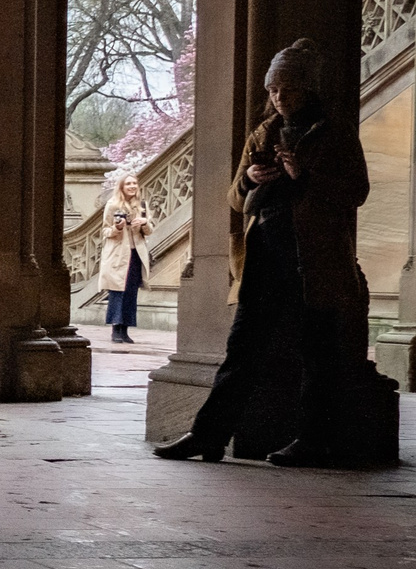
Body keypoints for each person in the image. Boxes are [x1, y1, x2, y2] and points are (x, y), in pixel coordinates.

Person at [156, 40, 371, 468]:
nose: (279, 97)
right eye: (273, 89)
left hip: (317, 260)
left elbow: (356, 192)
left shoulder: (336, 132)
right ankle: (208, 435)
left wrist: (303, 175)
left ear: (308, 89)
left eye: (288, 88)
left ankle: (314, 441)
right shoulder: (264, 132)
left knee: (318, 353)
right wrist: (253, 177)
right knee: (242, 348)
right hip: (265, 257)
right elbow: (235, 199)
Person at [99, 174, 151, 344]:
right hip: (118, 254)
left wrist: (144, 222)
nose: (132, 186)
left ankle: (125, 329)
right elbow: (105, 231)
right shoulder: (113, 205)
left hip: (136, 254)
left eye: (134, 183)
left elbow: (150, 230)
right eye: (128, 183)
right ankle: (116, 328)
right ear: (121, 186)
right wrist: (117, 228)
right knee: (117, 290)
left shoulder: (142, 205)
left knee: (131, 292)